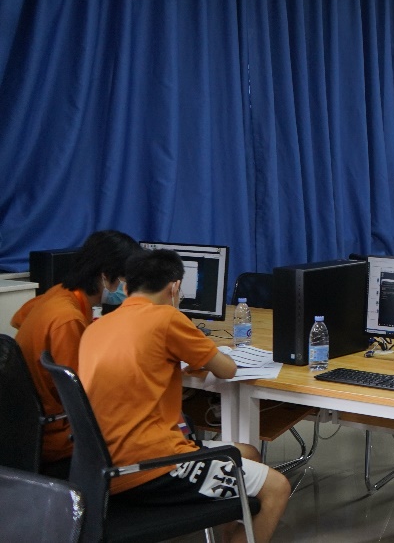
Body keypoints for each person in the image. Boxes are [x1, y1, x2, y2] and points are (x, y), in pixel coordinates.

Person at [78, 249, 289, 543]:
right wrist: (179, 318)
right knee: (277, 487)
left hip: (103, 465)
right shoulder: (166, 317)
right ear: (175, 287)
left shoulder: (96, 327)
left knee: (248, 453)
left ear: (126, 288)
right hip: (152, 465)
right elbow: (227, 369)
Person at [10, 230, 141, 476]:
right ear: (105, 276)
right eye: (126, 279)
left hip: (33, 427)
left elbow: (19, 318)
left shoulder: (59, 295)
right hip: (59, 436)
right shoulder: (67, 319)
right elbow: (81, 396)